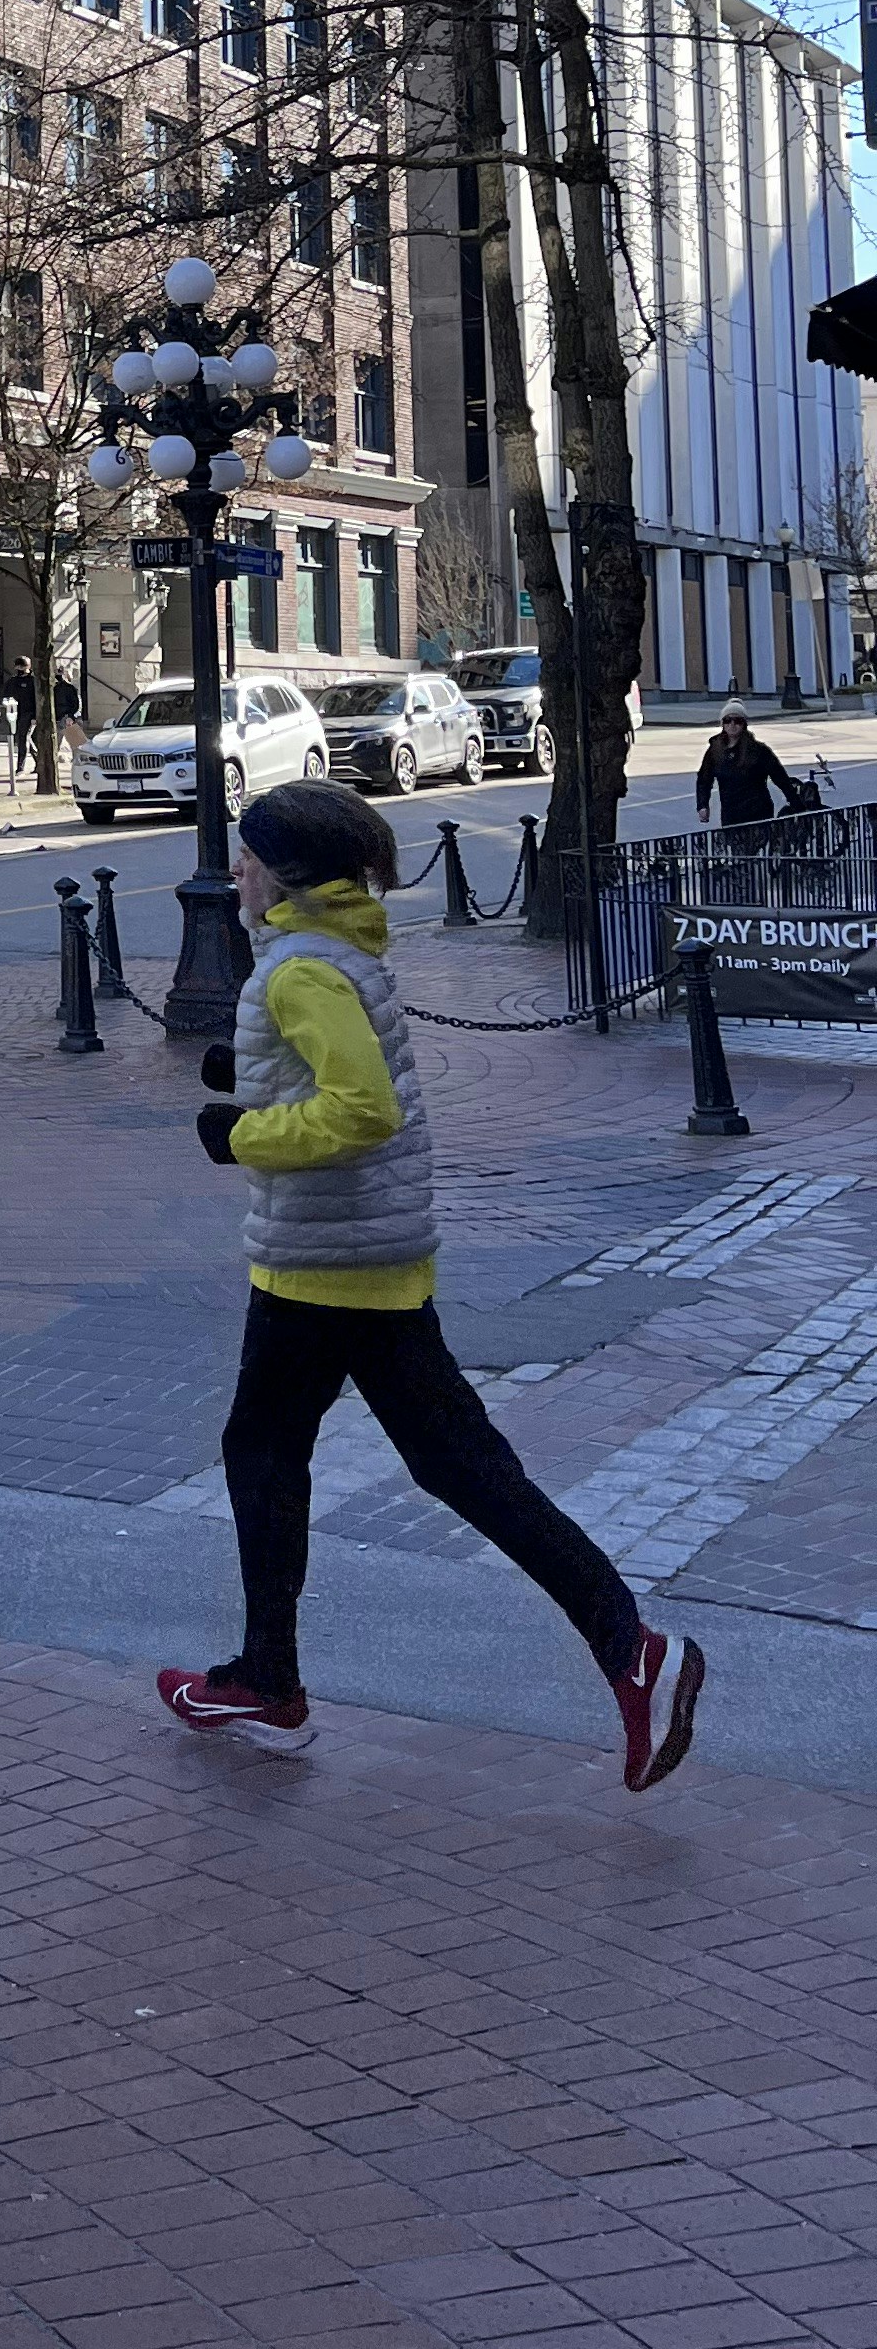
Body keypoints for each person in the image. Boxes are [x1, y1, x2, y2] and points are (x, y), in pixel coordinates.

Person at [160, 774, 704, 1789]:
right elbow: (342, 1066)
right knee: (453, 1466)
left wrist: (241, 1135)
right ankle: (624, 1648)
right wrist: (249, 1075)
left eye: (245, 853)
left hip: (324, 1265)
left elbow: (362, 1109)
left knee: (273, 1451)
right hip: (366, 1256)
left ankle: (272, 1687)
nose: (231, 869)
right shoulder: (340, 950)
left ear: (280, 877)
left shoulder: (298, 970)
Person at [696, 699, 796, 828]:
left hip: (758, 812)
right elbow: (704, 779)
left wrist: (796, 803)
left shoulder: (758, 750)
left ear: (744, 724)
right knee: (735, 846)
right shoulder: (715, 750)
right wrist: (703, 805)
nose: (732, 725)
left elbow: (780, 777)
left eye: (737, 721)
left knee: (756, 846)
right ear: (722, 723)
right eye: (727, 720)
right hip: (730, 813)